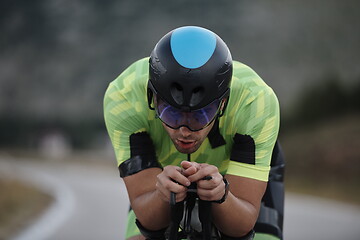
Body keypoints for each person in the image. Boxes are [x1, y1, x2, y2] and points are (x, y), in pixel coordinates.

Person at [104, 26, 284, 240]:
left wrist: (222, 195)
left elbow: (241, 225)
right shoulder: (124, 98)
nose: (184, 131)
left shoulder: (256, 102)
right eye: (171, 114)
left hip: (235, 182)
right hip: (158, 174)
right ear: (152, 98)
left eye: (201, 115)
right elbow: (149, 217)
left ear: (222, 104)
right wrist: (163, 197)